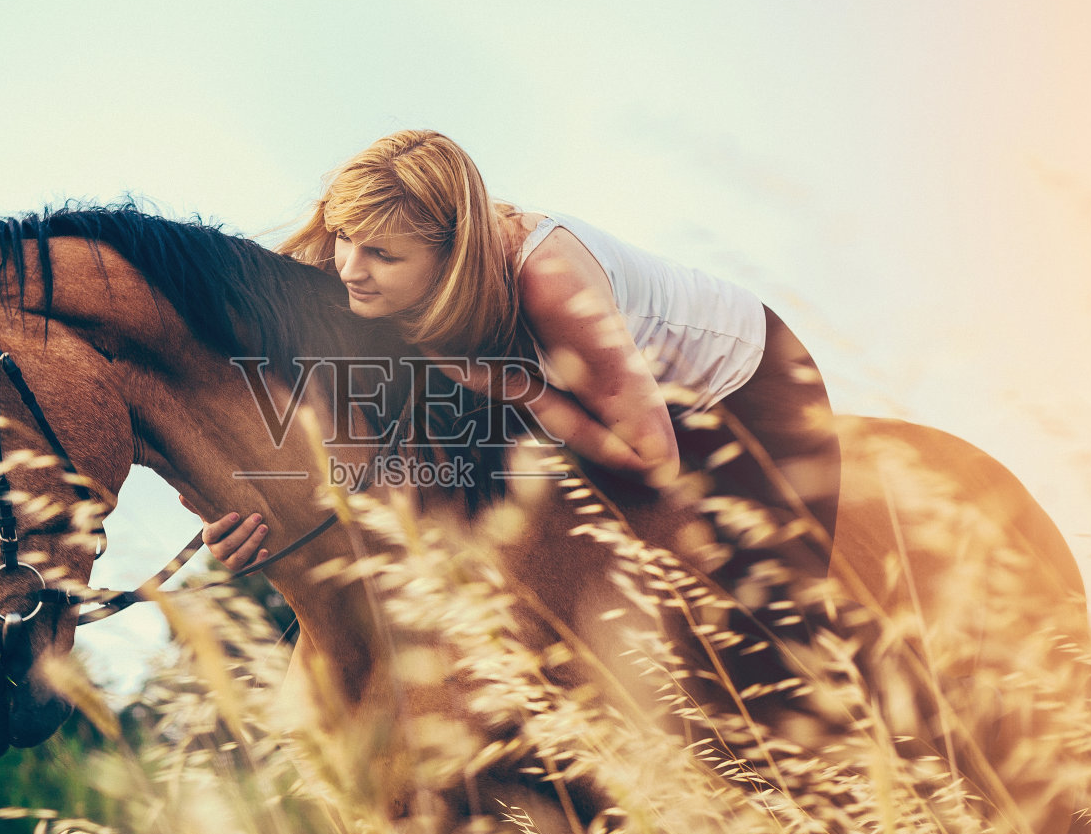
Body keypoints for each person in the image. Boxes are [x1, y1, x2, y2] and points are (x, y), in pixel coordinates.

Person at [183, 129, 841, 614]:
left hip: (738, 387)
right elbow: (246, 413)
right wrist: (226, 510)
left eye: (379, 252)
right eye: (343, 235)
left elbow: (652, 457)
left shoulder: (548, 276)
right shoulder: (356, 264)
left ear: (450, 257)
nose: (350, 266)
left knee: (767, 619)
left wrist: (517, 387)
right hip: (574, 392)